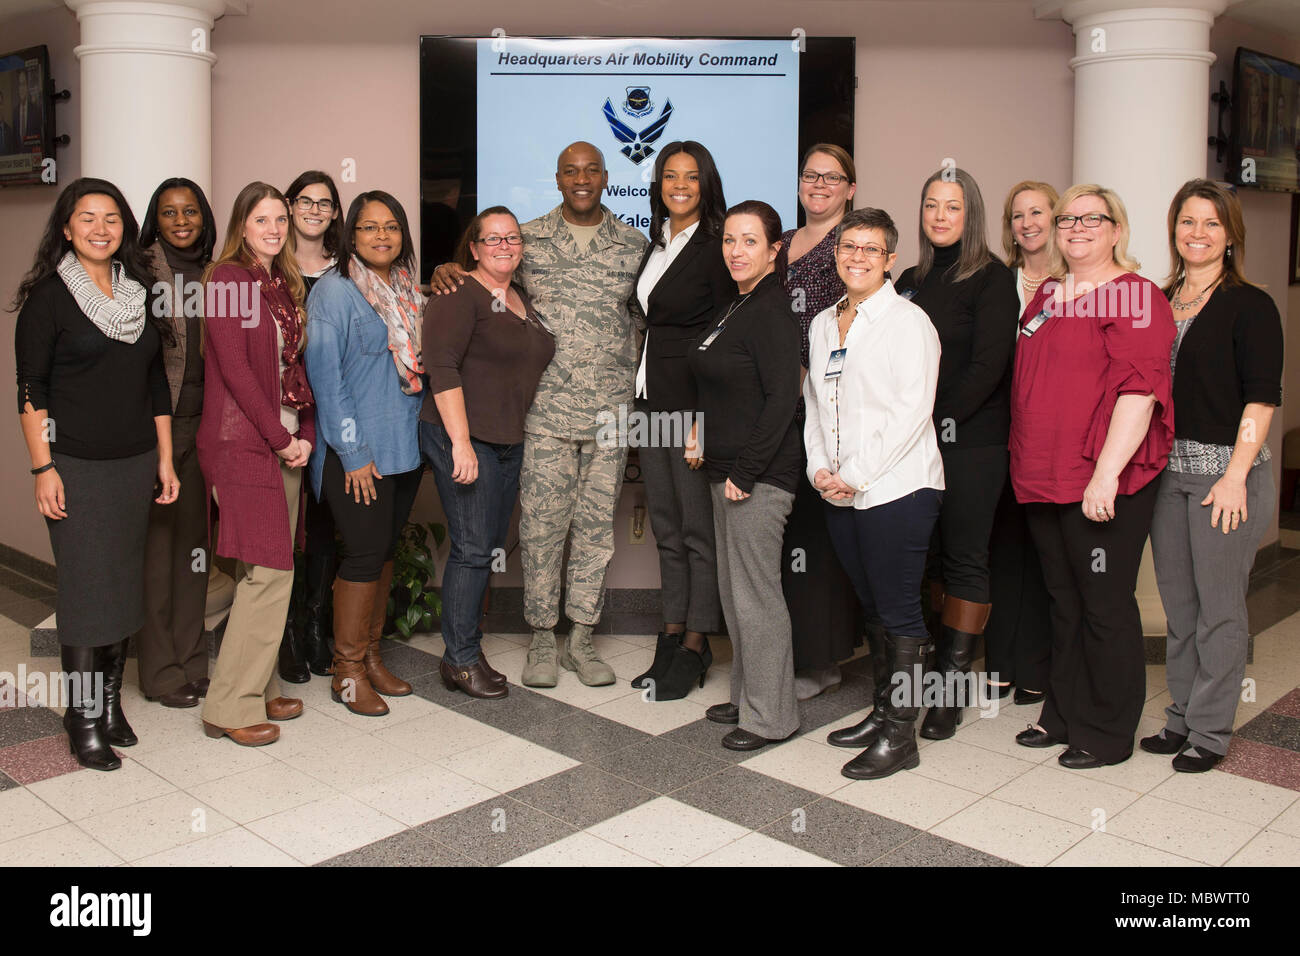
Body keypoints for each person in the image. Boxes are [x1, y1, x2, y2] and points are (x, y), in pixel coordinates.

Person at [430, 141, 647, 687]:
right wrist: (445, 269)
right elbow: (486, 284)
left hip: (610, 416)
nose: (581, 179)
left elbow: (644, 325)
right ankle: (543, 640)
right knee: (543, 527)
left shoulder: (634, 244)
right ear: (556, 179)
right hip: (545, 412)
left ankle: (582, 640)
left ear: (605, 176)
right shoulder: (528, 240)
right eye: (570, 171)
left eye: (591, 170)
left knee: (596, 532)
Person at [12, 177, 179, 770]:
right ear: (66, 227)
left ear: (124, 230)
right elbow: (33, 388)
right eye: (87, 218)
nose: (101, 229)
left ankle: (109, 702)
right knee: (86, 593)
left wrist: (163, 459)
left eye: (112, 218)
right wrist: (43, 467)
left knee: (122, 585)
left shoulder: (141, 293)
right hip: (75, 467)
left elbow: (156, 383)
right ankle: (81, 715)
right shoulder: (49, 298)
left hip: (134, 463)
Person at [1011, 184, 1175, 769]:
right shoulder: (1050, 294)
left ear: (1116, 230)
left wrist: (1104, 477)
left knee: (1103, 603)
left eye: (1091, 218)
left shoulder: (1136, 296)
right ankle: (1063, 713)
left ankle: (1106, 732)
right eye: (1067, 219)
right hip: (1043, 474)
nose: (1076, 227)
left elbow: (1139, 392)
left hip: (1103, 479)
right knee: (1063, 599)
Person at [1146, 179, 1282, 772]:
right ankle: (1179, 717)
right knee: (1180, 609)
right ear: (1174, 229)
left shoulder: (1250, 304)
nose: (1197, 234)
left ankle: (1209, 730)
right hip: (1166, 478)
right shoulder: (1158, 297)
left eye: (1211, 224)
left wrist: (1233, 476)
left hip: (1225, 480)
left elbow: (1261, 400)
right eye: (1187, 222)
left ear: (1231, 236)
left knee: (1220, 611)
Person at [811, 208, 944, 779]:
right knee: (872, 607)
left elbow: (912, 411)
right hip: (839, 491)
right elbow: (816, 404)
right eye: (849, 246)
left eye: (871, 249)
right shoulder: (821, 323)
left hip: (899, 488)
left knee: (900, 610)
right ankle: (882, 711)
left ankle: (901, 736)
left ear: (890, 259)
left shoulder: (909, 322)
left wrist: (857, 472)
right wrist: (821, 468)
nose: (857, 257)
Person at [895, 168, 1017, 740]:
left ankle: (950, 687)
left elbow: (989, 367)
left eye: (953, 207)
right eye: (931, 206)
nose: (941, 216)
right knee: (927, 559)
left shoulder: (993, 278)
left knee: (966, 557)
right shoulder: (908, 280)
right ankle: (923, 677)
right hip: (914, 444)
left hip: (971, 443)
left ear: (971, 215)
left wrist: (937, 422)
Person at [198, 181, 315, 747]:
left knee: (260, 569)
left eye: (280, 220)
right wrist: (278, 438)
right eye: (261, 219)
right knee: (269, 572)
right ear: (240, 225)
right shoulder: (226, 280)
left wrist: (305, 433)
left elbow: (295, 368)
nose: (272, 229)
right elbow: (238, 373)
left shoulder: (279, 283)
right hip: (244, 444)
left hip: (286, 443)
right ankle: (228, 705)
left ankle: (261, 686)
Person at [421, 206, 555, 699]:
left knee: (484, 548)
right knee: (473, 550)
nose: (504, 246)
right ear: (473, 248)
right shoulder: (458, 295)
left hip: (506, 440)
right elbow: (441, 367)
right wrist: (460, 442)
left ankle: (466, 653)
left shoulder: (521, 298)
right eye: (492, 239)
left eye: (512, 238)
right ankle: (459, 661)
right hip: (464, 436)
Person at [687, 200, 801, 752]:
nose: (736, 251)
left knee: (757, 595)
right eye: (730, 240)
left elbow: (783, 399)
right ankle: (748, 693)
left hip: (757, 475)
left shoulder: (774, 309)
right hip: (725, 468)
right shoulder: (738, 304)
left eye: (750, 241)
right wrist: (698, 433)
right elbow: (726, 387)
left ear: (775, 249)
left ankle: (771, 718)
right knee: (735, 595)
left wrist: (748, 471)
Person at [305, 190, 424, 717]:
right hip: (356, 453)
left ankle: (372, 658)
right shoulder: (334, 293)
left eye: (391, 226)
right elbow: (326, 382)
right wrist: (351, 452)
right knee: (360, 554)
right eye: (370, 227)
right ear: (351, 236)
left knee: (383, 553)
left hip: (402, 448)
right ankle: (347, 672)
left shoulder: (405, 290)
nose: (382, 235)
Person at [627, 141, 733, 700]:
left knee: (697, 531)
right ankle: (670, 635)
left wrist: (704, 419)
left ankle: (696, 644)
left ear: (706, 182)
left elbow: (721, 332)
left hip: (690, 406)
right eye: (671, 176)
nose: (681, 185)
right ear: (658, 183)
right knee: (667, 527)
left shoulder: (717, 247)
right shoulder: (658, 242)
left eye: (692, 177)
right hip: (650, 402)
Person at [774, 143, 865, 700]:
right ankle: (789, 652)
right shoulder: (779, 241)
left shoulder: (851, 247)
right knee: (783, 537)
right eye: (811, 175)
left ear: (851, 189)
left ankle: (822, 660)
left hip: (823, 407)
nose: (820, 184)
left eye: (833, 178)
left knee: (817, 534)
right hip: (774, 407)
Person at [135, 177, 218, 708]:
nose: (182, 221)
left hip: (206, 429)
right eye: (169, 213)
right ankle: (160, 671)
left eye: (190, 211)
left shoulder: (220, 273)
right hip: (153, 430)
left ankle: (191, 661)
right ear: (155, 220)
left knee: (194, 552)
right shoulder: (136, 270)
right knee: (157, 554)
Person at [985, 180, 1059, 705]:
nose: (1028, 223)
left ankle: (1036, 663)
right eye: (1017, 215)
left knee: (1044, 556)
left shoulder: (1080, 283)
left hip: (1053, 440)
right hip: (997, 434)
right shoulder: (998, 281)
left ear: (1057, 218)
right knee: (1002, 551)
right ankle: (1001, 661)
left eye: (1038, 212)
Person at [279, 170, 345, 682]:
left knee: (323, 526)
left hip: (334, 413)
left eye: (325, 202)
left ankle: (316, 628)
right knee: (282, 527)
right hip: (282, 412)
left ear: (335, 214)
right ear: (289, 205)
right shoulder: (268, 269)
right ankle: (284, 638)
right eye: (306, 200)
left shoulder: (347, 271)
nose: (315, 210)